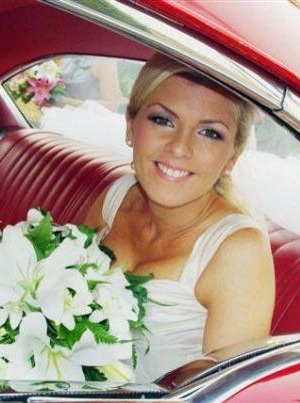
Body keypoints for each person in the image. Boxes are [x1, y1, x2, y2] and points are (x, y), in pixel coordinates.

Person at [82, 53, 275, 383]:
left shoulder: (239, 251)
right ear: (130, 126)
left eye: (209, 133)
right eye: (163, 120)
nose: (179, 148)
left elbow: (227, 393)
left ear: (232, 156)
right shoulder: (116, 196)